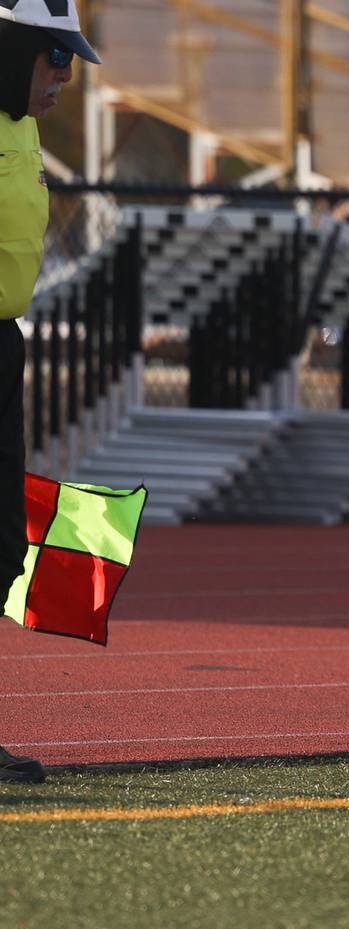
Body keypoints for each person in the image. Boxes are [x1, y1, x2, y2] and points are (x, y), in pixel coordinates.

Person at [0, 0, 102, 784]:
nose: (65, 77)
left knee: (4, 548)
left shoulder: (23, 130)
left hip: (4, 346)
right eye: (53, 57)